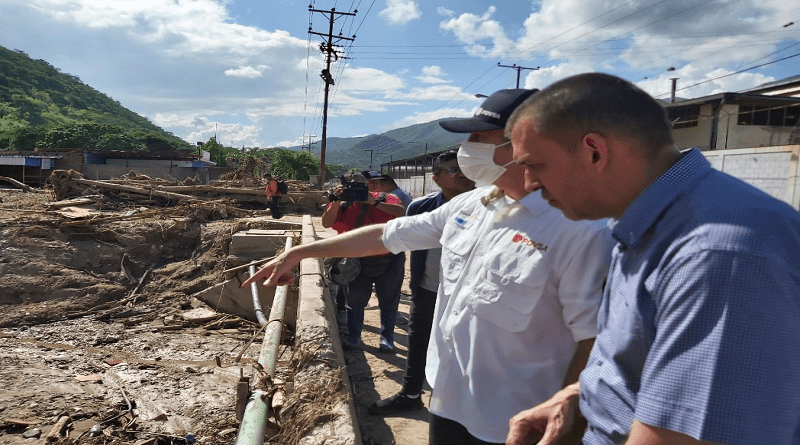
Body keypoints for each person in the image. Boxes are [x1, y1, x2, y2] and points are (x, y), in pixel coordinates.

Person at [243, 88, 613, 444]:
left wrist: (569, 418)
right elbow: (389, 234)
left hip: (516, 421)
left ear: (525, 145)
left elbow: (594, 340)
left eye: (479, 138)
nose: (467, 150)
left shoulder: (582, 229)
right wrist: (300, 253)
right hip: (448, 399)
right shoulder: (474, 203)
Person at [505, 72, 800, 445]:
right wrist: (578, 396)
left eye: (535, 165)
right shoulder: (647, 224)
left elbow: (685, 435)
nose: (529, 183)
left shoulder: (716, 255)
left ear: (594, 151)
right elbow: (646, 362)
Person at [368, 150, 475, 415]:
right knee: (418, 342)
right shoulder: (421, 207)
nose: (462, 174)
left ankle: (461, 405)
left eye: (465, 167)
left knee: (465, 348)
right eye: (453, 170)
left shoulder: (487, 207)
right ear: (437, 178)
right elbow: (396, 238)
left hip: (467, 296)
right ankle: (411, 393)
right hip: (428, 288)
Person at [321, 172, 406, 353]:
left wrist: (372, 202)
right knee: (355, 301)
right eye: (351, 186)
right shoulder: (343, 202)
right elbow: (326, 223)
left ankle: (387, 339)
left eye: (359, 185)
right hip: (357, 261)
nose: (355, 190)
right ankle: (353, 338)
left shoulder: (386, 198)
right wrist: (336, 202)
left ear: (368, 186)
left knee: (389, 301)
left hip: (389, 258)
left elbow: (402, 213)